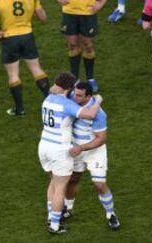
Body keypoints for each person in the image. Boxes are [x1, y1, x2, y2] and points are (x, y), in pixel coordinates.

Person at [38, 72, 102, 234]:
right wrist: (98, 100)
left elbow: (55, 87)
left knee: (53, 181)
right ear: (69, 88)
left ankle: (50, 216)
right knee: (60, 188)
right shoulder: (66, 105)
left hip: (44, 145)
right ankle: (54, 225)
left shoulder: (48, 97)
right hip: (59, 149)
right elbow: (90, 114)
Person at [61, 81, 120, 230]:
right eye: (75, 93)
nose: (75, 97)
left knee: (99, 184)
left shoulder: (99, 114)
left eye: (79, 95)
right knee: (73, 179)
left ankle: (111, 215)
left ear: (88, 97)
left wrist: (81, 147)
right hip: (76, 150)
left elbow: (101, 139)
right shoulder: (73, 100)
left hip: (93, 152)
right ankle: (68, 208)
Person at [0, 0, 50, 116]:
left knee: (13, 74)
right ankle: (52, 102)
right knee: (36, 69)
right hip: (28, 36)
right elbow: (43, 18)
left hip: (9, 38)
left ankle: (20, 109)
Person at [57, 0, 106, 92]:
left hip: (88, 11)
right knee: (72, 45)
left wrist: (101, 3)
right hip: (69, 11)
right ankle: (74, 80)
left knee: (89, 45)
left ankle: (90, 79)